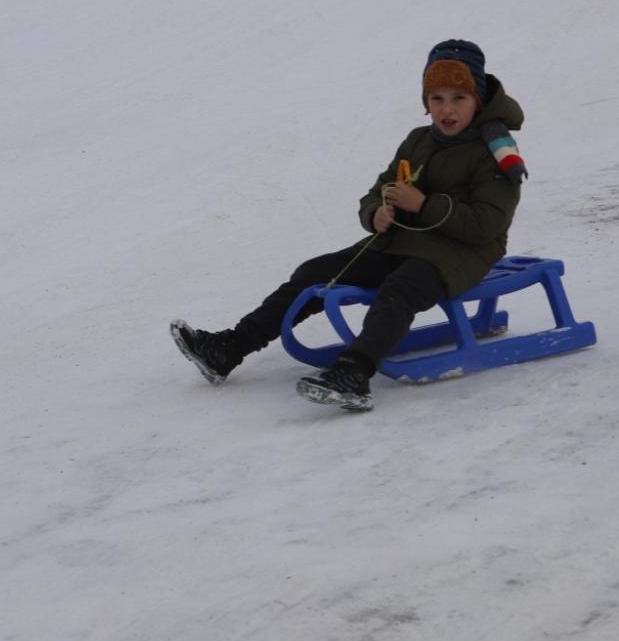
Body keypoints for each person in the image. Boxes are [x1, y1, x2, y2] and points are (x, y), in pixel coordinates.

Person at [171, 39, 527, 411]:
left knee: (400, 289)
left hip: (462, 253)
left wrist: (422, 204)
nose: (447, 110)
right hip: (405, 242)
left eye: (459, 98)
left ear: (479, 100)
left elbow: (487, 225)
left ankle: (354, 372)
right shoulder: (419, 140)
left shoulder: (496, 151)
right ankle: (230, 347)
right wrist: (377, 211)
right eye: (437, 99)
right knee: (316, 273)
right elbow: (380, 188)